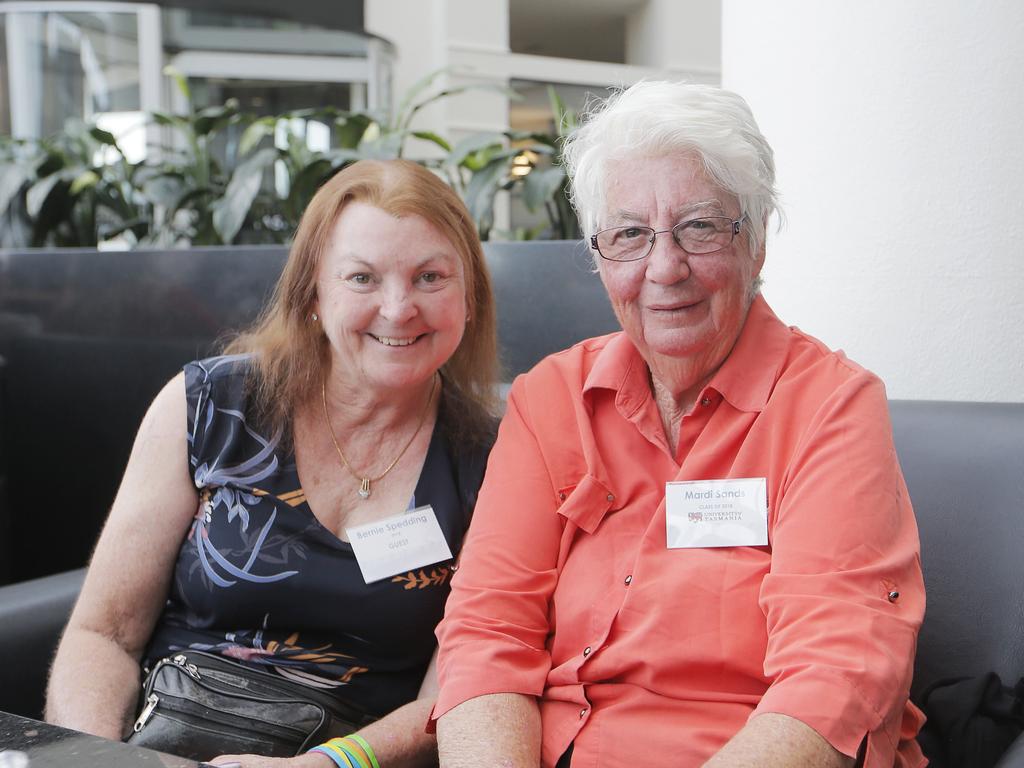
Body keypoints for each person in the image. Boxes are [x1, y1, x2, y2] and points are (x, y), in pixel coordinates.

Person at [431, 81, 926, 767]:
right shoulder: (551, 398)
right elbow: (488, 632)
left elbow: (836, 673)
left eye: (698, 226)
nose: (665, 268)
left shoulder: (830, 405)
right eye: (630, 234)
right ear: (600, 257)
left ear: (753, 243)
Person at [45, 159, 500, 768]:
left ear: (469, 294)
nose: (398, 308)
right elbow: (103, 635)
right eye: (362, 278)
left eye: (429, 277)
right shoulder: (212, 407)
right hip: (161, 745)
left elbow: (456, 695)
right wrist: (100, 762)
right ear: (314, 292)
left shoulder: (492, 458)